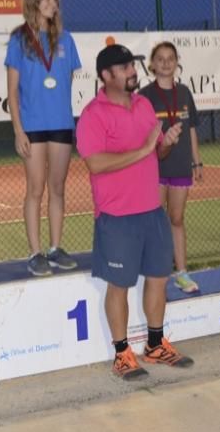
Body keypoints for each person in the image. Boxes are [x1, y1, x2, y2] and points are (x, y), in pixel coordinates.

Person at [77, 43, 194, 380]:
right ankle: (122, 353)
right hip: (117, 217)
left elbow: (155, 153)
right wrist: (143, 149)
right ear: (106, 75)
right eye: (125, 67)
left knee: (158, 279)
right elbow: (96, 164)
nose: (133, 72)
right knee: (120, 286)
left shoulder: (144, 105)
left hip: (152, 212)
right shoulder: (92, 115)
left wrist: (166, 141)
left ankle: (155, 345)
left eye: (132, 66)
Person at [5, 0, 83, 276]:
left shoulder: (67, 39)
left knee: (58, 188)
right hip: (33, 126)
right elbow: (12, 92)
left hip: (61, 123)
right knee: (35, 188)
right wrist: (18, 130)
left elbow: (65, 83)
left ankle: (55, 247)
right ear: (34, 2)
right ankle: (35, 251)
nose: (53, 4)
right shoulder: (19, 40)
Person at [138, 41, 203, 293]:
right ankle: (155, 274)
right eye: (160, 59)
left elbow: (193, 129)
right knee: (154, 221)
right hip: (153, 168)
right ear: (152, 65)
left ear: (177, 63)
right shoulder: (144, 96)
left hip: (180, 166)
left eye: (170, 58)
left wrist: (196, 161)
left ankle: (182, 273)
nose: (166, 63)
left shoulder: (185, 92)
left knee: (176, 218)